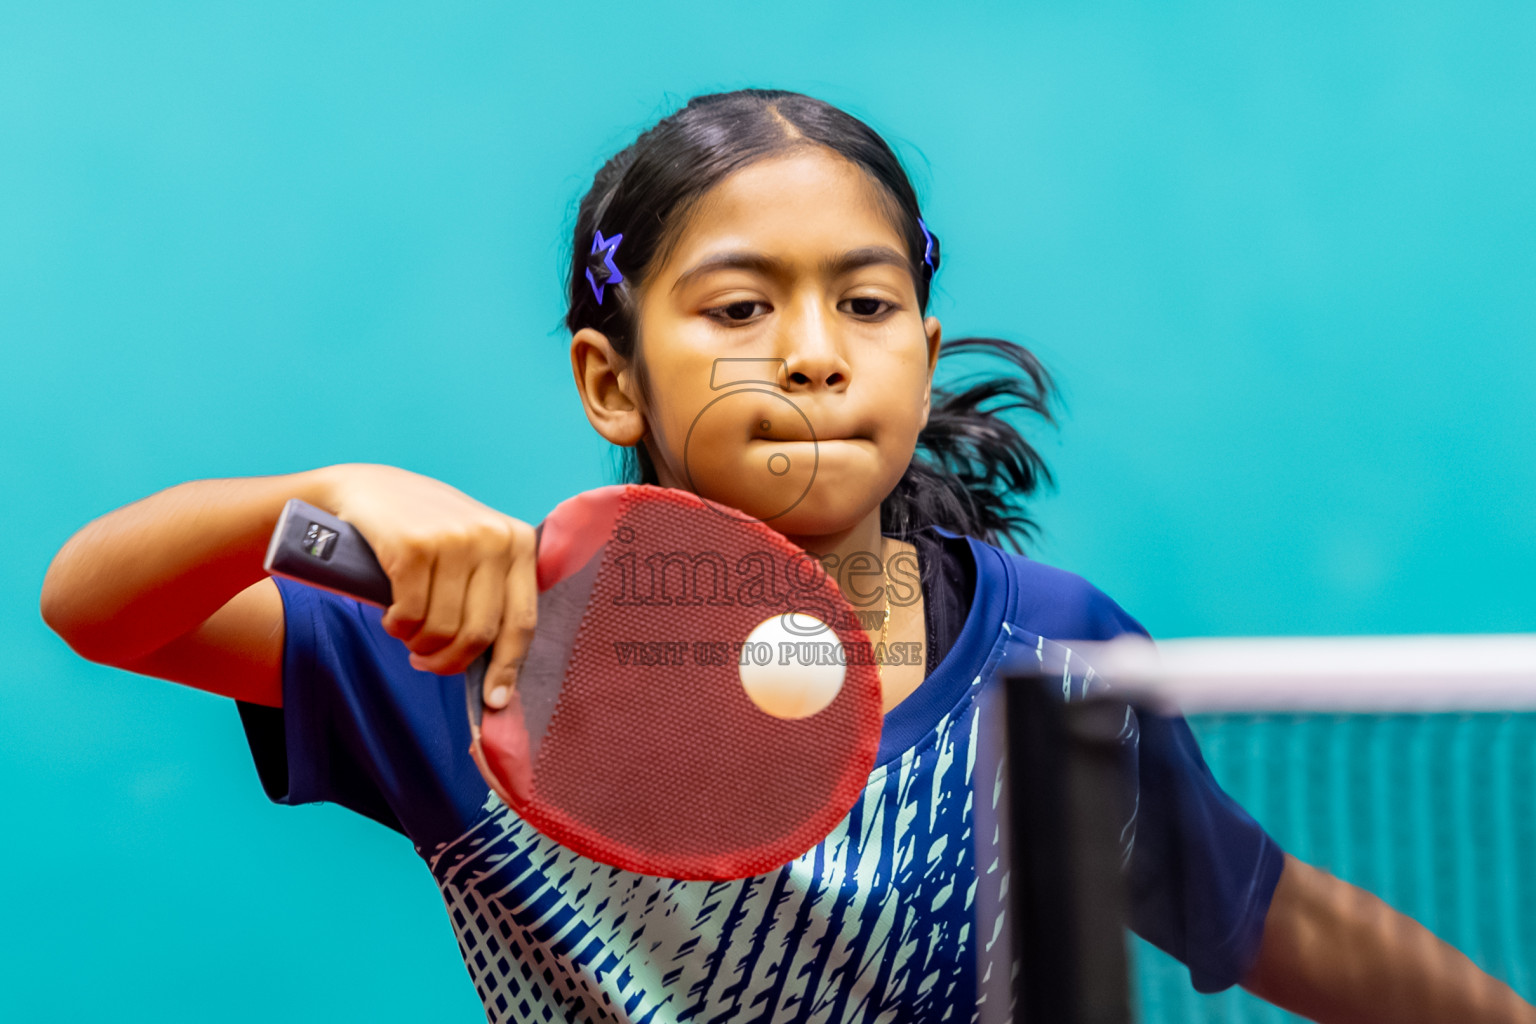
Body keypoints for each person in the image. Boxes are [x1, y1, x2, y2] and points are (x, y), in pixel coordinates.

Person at [41, 89, 1533, 1024]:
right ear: (612, 380)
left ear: (923, 350)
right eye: (739, 309)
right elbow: (94, 604)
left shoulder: (1046, 656)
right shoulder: (483, 644)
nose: (812, 357)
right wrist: (321, 490)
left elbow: (1271, 916)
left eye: (864, 306)